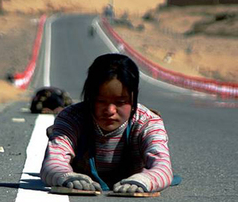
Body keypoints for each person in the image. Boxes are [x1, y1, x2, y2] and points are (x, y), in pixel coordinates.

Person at [40, 54, 174, 193]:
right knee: (59, 136)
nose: (110, 111)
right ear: (89, 96)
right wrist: (65, 177)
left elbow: (163, 168)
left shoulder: (147, 122)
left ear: (133, 98)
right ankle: (55, 134)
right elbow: (52, 164)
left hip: (134, 176)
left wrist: (145, 180)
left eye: (120, 102)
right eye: (101, 101)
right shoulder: (71, 118)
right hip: (78, 171)